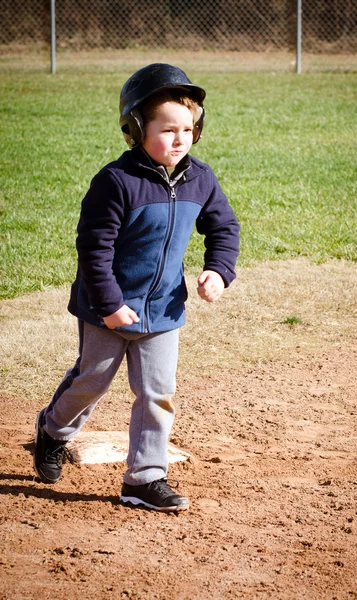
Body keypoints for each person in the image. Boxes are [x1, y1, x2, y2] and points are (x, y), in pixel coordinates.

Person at [33, 63, 240, 512]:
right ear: (135, 129)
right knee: (91, 383)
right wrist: (109, 305)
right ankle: (52, 431)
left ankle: (144, 479)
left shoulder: (201, 178)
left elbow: (224, 227)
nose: (180, 139)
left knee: (157, 393)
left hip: (163, 311)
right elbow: (93, 250)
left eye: (189, 128)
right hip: (106, 309)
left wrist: (219, 270)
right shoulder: (116, 182)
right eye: (168, 130)